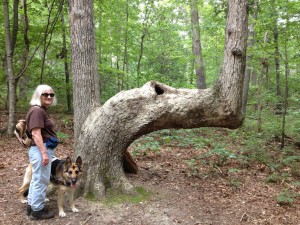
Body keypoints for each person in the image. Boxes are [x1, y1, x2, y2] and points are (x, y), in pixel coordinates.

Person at [26, 84, 58, 219]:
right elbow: (36, 134)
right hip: (41, 150)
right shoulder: (37, 111)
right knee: (42, 180)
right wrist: (44, 153)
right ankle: (37, 210)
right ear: (38, 96)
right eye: (45, 94)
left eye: (51, 94)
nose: (49, 97)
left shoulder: (41, 110)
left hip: (40, 149)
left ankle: (31, 205)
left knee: (37, 178)